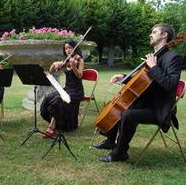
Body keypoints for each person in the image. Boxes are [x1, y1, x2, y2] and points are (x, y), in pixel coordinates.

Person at [93, 23, 183, 162]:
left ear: (164, 35)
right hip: (145, 102)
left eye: (154, 32)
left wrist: (153, 66)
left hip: (159, 108)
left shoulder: (173, 57)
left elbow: (170, 85)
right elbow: (143, 79)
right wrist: (124, 77)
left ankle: (120, 153)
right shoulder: (153, 56)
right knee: (120, 104)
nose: (150, 35)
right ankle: (110, 140)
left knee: (128, 114)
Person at [40, 40, 85, 138]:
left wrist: (74, 67)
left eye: (70, 47)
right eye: (66, 48)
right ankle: (58, 123)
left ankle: (52, 127)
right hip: (67, 89)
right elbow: (51, 71)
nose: (68, 50)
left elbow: (80, 76)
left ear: (75, 48)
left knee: (58, 100)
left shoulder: (79, 60)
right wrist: (54, 64)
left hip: (77, 91)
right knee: (49, 97)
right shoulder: (66, 61)